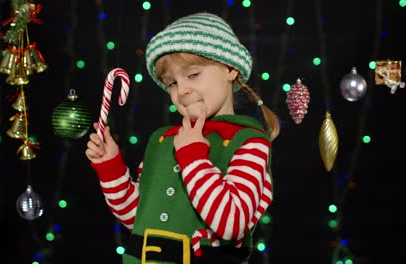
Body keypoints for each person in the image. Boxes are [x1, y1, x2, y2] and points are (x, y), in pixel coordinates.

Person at [85, 12, 280, 264]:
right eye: (172, 84)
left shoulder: (248, 142)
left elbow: (231, 224)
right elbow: (137, 217)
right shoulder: (162, 140)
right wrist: (111, 167)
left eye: (193, 74)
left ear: (230, 68)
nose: (182, 90)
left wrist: (193, 157)